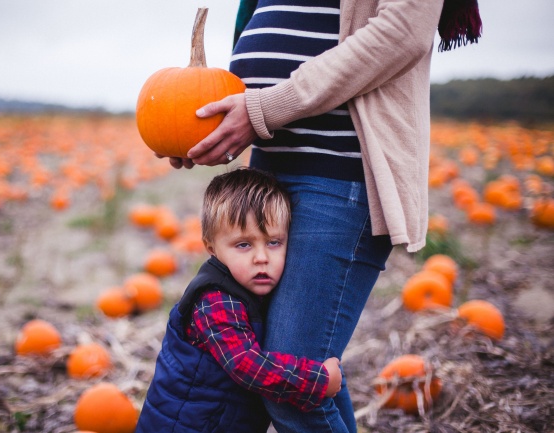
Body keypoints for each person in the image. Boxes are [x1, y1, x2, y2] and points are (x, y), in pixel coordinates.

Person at [163, 1, 482, 432]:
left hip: (340, 172)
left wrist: (264, 109)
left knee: (293, 389)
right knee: (312, 373)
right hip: (270, 169)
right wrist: (197, 128)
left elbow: (404, 29)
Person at [135, 167, 343, 433]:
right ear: (211, 247)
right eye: (244, 245)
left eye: (274, 242)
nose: (261, 257)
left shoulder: (250, 286)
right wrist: (316, 381)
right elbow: (245, 364)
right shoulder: (216, 301)